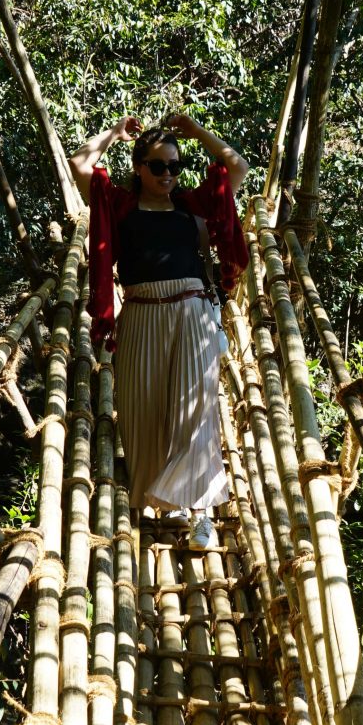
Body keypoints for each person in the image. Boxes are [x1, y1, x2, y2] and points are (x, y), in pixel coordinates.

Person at [72, 110, 249, 540]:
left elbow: (236, 166)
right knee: (143, 409)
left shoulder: (194, 206)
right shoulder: (119, 204)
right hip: (141, 313)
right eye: (157, 166)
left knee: (198, 412)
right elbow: (80, 163)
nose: (167, 174)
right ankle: (168, 505)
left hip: (192, 314)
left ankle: (202, 506)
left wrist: (195, 131)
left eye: (174, 166)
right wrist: (114, 132)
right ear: (139, 168)